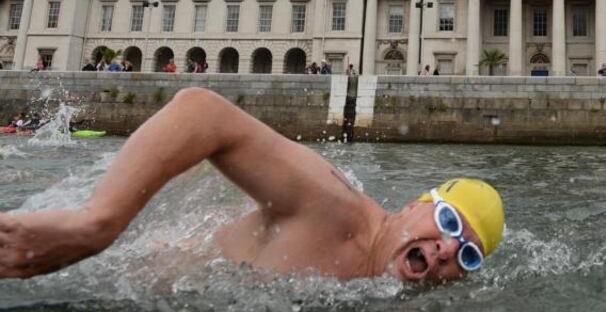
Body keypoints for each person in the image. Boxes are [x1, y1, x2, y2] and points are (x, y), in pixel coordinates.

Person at [0, 88, 505, 283]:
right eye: (446, 222)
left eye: (468, 256)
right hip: (91, 276)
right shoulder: (334, 207)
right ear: (416, 205)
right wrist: (97, 225)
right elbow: (203, 112)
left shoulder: (378, 280)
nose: (444, 250)